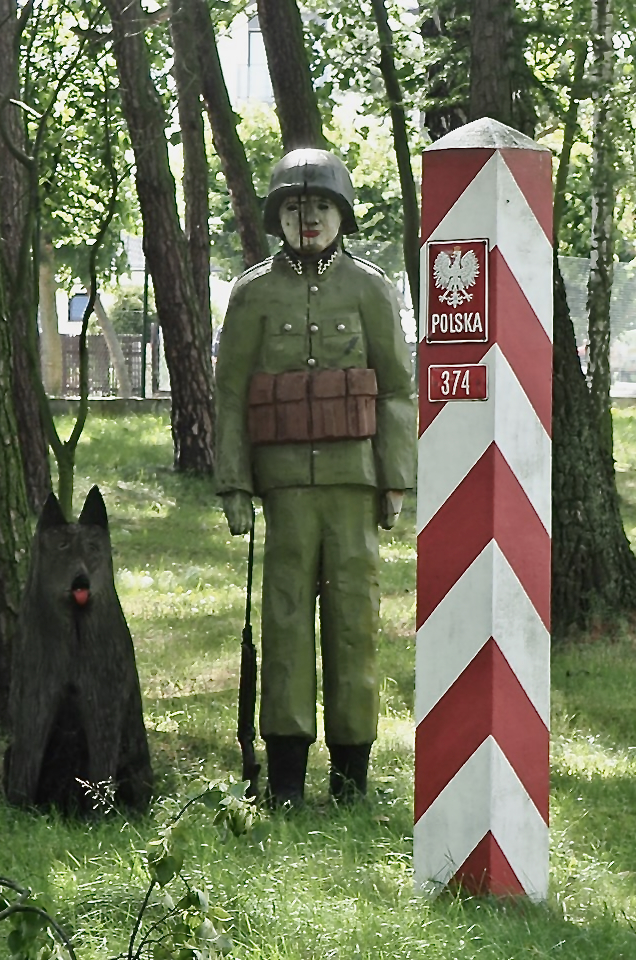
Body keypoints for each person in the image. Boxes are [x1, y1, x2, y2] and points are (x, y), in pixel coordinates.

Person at [214, 148, 416, 807]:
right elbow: (232, 394)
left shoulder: (369, 289)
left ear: (342, 215)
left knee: (355, 622)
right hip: (285, 491)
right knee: (287, 620)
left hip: (353, 486)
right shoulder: (252, 294)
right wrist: (235, 484)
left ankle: (352, 776)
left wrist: (395, 479)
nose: (309, 219)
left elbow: (394, 390)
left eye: (321, 206)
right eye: (296, 207)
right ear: (277, 215)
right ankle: (287, 779)